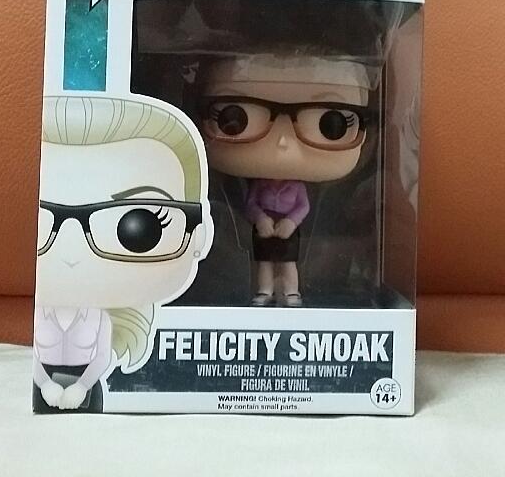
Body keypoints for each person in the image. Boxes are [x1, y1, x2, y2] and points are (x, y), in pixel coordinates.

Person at [33, 95, 212, 412]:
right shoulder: (37, 314)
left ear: (200, 233)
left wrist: (81, 387)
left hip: (88, 390)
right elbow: (31, 357)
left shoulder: (101, 320)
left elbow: (102, 356)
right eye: (38, 218)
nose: (72, 253)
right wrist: (45, 385)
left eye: (139, 227)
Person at [199, 52, 370, 307]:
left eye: (330, 124)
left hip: (288, 228)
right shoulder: (259, 186)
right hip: (265, 226)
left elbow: (303, 206)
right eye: (235, 117)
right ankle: (265, 291)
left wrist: (291, 222)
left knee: (288, 262)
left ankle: (291, 292)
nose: (282, 142)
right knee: (265, 262)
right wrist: (260, 219)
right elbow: (251, 204)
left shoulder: (298, 187)